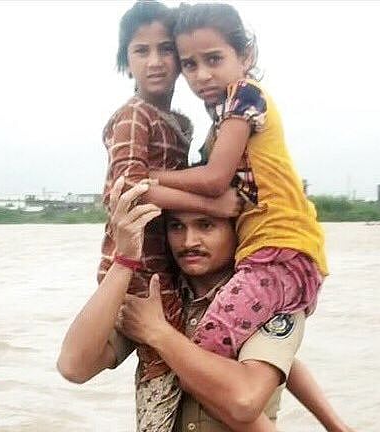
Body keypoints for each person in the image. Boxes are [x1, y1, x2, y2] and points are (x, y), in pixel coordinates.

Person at [58, 180, 353, 432]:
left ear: (238, 229)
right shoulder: (159, 297)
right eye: (176, 226)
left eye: (206, 225)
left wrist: (158, 332)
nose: (189, 241)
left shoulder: (267, 301)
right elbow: (74, 366)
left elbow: (244, 400)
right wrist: (124, 262)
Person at [149, 3, 328, 367]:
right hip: (273, 252)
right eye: (190, 65)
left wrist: (150, 176)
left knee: (205, 348)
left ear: (246, 56)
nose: (202, 75)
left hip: (278, 252)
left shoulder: (245, 95)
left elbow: (214, 179)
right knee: (250, 348)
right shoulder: (223, 116)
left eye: (214, 59)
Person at [95, 2, 243, 430]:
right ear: (126, 60)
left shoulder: (179, 124)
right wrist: (213, 205)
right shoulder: (133, 116)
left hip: (169, 264)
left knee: (189, 365)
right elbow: (126, 188)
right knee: (164, 374)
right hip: (139, 270)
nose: (156, 61)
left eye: (165, 49)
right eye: (141, 51)